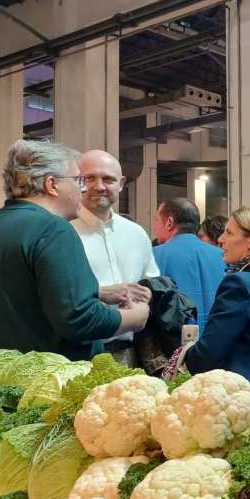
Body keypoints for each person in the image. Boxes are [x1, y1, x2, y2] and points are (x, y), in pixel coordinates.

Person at [0, 140, 148, 360]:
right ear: (52, 184)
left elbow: (23, 295)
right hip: (42, 379)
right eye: (79, 180)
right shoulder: (53, 229)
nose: (85, 188)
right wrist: (134, 317)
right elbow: (80, 320)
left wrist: (97, 293)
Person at [183, 207, 250, 387]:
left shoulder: (239, 284)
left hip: (240, 393)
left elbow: (208, 353)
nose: (220, 240)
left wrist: (185, 355)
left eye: (229, 233)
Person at [71, 150, 159, 366]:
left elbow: (152, 282)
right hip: (78, 355)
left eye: (108, 179)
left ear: (121, 184)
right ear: (76, 182)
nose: (99, 186)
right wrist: (100, 293)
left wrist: (149, 293)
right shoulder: (63, 232)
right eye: (89, 178)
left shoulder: (136, 233)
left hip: (130, 354)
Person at [153, 198, 225, 333]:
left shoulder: (154, 256)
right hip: (217, 340)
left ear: (169, 222)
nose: (154, 226)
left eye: (156, 220)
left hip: (174, 346)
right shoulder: (223, 256)